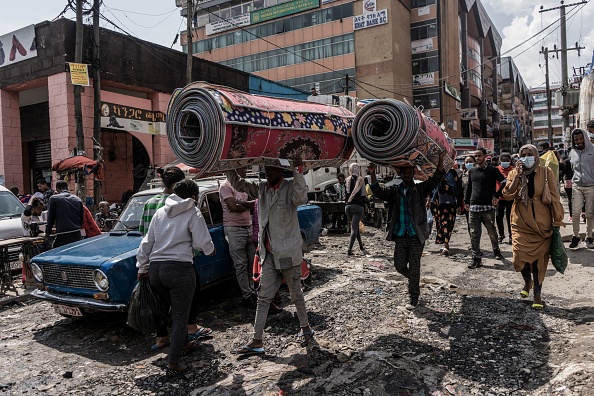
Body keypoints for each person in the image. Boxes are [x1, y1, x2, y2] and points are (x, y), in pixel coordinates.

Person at [226, 157, 314, 355]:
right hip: (268, 253)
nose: (266, 172)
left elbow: (301, 198)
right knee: (263, 296)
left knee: (295, 293)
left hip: (287, 253)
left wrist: (298, 171)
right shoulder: (263, 189)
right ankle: (257, 340)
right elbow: (239, 184)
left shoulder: (290, 188)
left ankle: (306, 329)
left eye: (270, 169)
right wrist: (229, 167)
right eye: (265, 169)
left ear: (280, 171)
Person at [136, 179, 215, 377]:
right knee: (181, 316)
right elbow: (202, 242)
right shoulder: (193, 212)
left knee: (172, 308)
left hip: (155, 271)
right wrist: (210, 250)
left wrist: (142, 266)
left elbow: (147, 241)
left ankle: (185, 343)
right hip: (179, 270)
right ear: (194, 196)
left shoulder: (161, 212)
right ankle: (174, 362)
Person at [369, 152, 446, 310]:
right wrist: (372, 173)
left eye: (409, 173)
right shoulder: (394, 191)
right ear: (400, 173)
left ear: (413, 174)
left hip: (416, 234)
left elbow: (436, 179)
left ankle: (413, 296)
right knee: (399, 265)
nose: (406, 175)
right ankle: (413, 280)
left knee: (415, 265)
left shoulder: (420, 189)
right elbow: (378, 193)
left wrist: (440, 160)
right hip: (400, 234)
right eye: (404, 173)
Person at [502, 144, 564, 310]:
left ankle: (537, 294)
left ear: (536, 156)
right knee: (518, 259)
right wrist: (518, 176)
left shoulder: (545, 172)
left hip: (541, 223)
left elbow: (554, 196)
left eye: (530, 154)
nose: (526, 157)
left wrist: (557, 218)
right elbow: (507, 195)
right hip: (520, 222)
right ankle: (527, 282)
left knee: (538, 262)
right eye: (524, 154)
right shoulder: (514, 173)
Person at [219, 167, 258, 308]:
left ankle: (252, 291)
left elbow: (255, 202)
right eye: (242, 168)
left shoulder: (245, 185)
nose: (246, 170)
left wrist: (243, 204)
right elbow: (233, 207)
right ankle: (247, 295)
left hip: (248, 226)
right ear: (234, 170)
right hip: (233, 229)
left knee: (252, 262)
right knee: (240, 264)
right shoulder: (225, 186)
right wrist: (248, 205)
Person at [464, 148, 506, 268]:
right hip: (474, 207)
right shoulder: (472, 171)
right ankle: (476, 258)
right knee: (474, 234)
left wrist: (497, 195)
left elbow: (504, 182)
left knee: (492, 232)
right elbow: (469, 187)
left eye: (479, 156)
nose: (477, 158)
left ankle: (496, 250)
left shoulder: (492, 170)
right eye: (475, 156)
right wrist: (466, 201)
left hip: (488, 207)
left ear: (485, 156)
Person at [568, 128, 594, 249]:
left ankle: (589, 237)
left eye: (580, 138)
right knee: (576, 212)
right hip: (577, 186)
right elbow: (572, 169)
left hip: (591, 186)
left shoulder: (593, 149)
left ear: (585, 137)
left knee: (589, 213)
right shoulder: (572, 152)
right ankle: (576, 236)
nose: (578, 141)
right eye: (576, 139)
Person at [429, 166, 459, 256]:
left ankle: (446, 244)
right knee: (439, 222)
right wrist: (428, 200)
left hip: (450, 203)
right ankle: (443, 242)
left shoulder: (452, 173)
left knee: (447, 223)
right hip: (437, 203)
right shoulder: (433, 172)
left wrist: (459, 203)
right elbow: (430, 187)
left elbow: (457, 187)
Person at [46, 180, 83, 248]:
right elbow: (81, 218)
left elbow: (50, 218)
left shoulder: (54, 199)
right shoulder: (77, 199)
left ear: (56, 189)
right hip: (76, 233)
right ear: (67, 188)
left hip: (63, 234)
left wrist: (47, 233)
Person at [344, 163, 368, 255]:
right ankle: (349, 249)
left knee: (355, 226)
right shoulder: (361, 180)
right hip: (358, 207)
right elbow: (363, 194)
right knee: (354, 228)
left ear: (350, 170)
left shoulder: (347, 180)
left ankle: (361, 246)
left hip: (348, 207)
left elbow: (345, 195)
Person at [495, 152, 515, 244]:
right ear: (500, 161)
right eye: (503, 161)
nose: (505, 162)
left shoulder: (513, 170)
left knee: (510, 217)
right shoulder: (496, 170)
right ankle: (501, 234)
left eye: (507, 161)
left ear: (510, 161)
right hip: (499, 198)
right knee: (498, 216)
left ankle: (511, 236)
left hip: (510, 197)